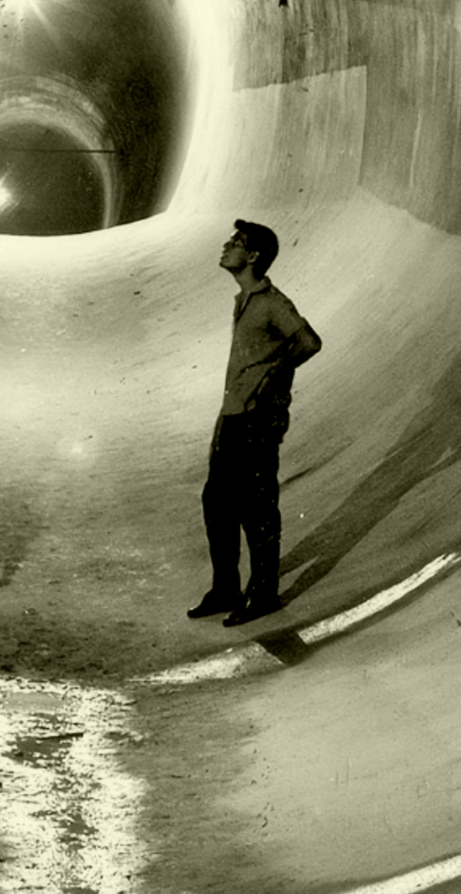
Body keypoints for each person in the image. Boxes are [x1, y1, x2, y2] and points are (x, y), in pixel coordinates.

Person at [190, 220, 323, 628]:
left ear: (252, 256)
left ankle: (264, 592)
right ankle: (226, 588)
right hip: (234, 415)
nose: (227, 245)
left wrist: (274, 375)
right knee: (217, 501)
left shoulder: (271, 303)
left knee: (256, 504)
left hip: (258, 418)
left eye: (236, 242)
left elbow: (309, 341)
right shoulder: (244, 299)